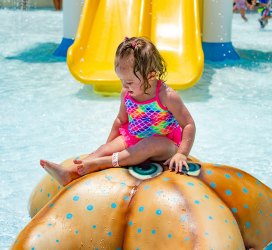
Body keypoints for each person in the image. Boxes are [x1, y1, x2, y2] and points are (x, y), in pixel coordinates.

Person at [40, 36, 196, 186]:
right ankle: (70, 172)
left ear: (151, 76)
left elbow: (188, 124)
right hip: (134, 137)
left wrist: (181, 153)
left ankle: (105, 162)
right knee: (104, 149)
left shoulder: (167, 96)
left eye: (129, 82)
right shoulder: (127, 93)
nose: (124, 86)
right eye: (121, 80)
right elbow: (121, 121)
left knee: (148, 144)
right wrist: (108, 146)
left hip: (165, 144)